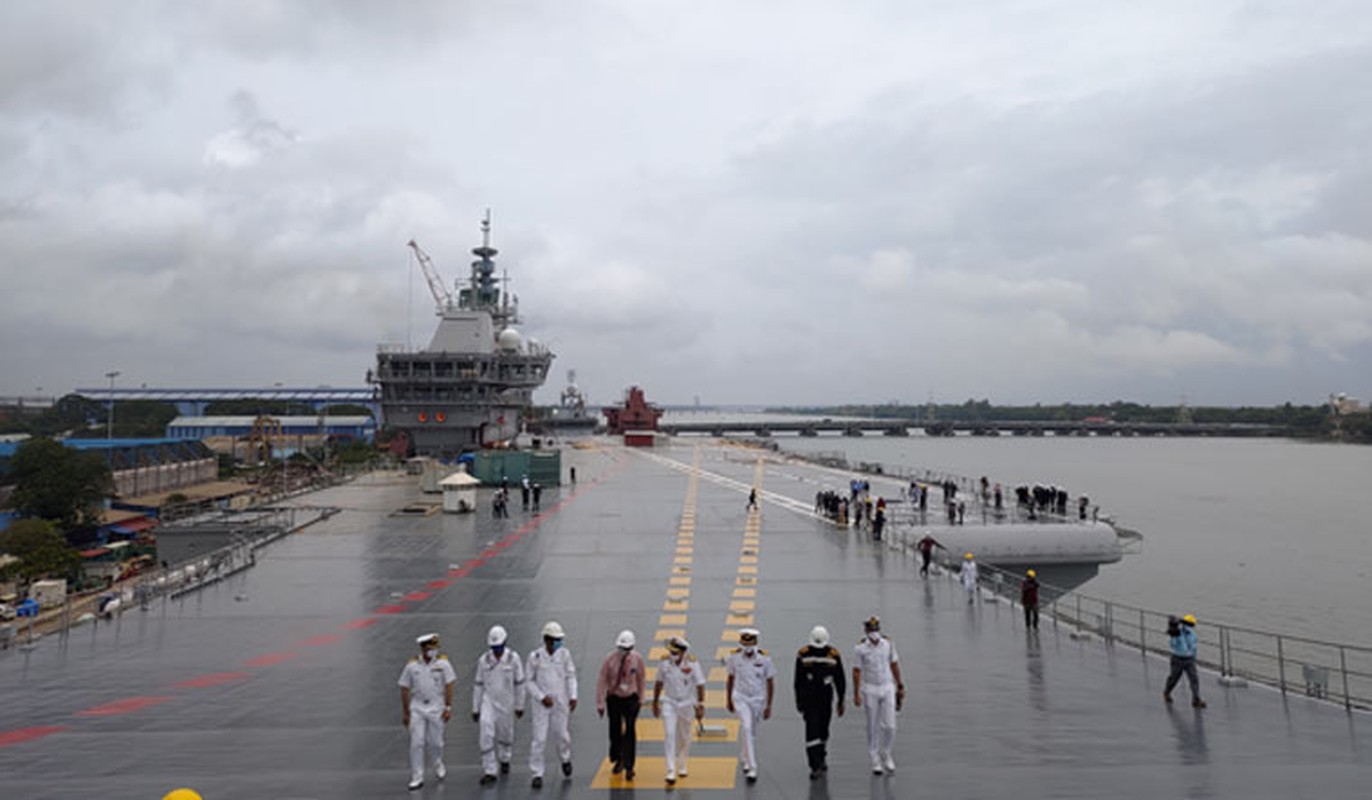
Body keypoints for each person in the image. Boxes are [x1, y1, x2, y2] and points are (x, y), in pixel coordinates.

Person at [398, 633, 457, 791]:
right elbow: (404, 687)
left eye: (435, 648)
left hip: (436, 707)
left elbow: (449, 685)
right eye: (430, 648)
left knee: (436, 742)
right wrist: (406, 712)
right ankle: (417, 776)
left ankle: (437, 761)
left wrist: (448, 707)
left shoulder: (443, 664)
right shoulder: (412, 665)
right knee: (417, 742)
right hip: (417, 707)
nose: (433, 651)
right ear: (423, 648)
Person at [526, 621, 577, 788]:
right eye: (556, 639)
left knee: (562, 735)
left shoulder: (564, 654)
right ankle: (537, 773)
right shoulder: (535, 657)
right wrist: (541, 697)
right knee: (539, 739)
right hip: (542, 705)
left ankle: (565, 758)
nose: (558, 642)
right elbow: (529, 681)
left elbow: (570, 675)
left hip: (560, 702)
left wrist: (573, 695)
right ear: (547, 639)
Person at [473, 625, 526, 785]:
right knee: (486, 732)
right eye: (494, 648)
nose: (496, 651)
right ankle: (489, 769)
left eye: (499, 647)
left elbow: (520, 683)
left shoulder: (513, 659)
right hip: (488, 701)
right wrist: (475, 708)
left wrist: (519, 705)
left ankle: (505, 758)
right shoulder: (484, 660)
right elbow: (478, 684)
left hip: (507, 702)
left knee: (505, 734)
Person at [852, 616, 904, 775]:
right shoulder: (860, 648)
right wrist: (856, 693)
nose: (873, 633)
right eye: (871, 630)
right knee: (872, 725)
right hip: (870, 688)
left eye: (875, 629)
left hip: (887, 686)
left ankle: (886, 752)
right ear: (866, 631)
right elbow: (856, 671)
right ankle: (874, 757)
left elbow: (894, 663)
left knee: (890, 725)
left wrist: (900, 684)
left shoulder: (888, 643)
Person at [651, 635, 706, 784]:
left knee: (685, 736)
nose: (672, 655)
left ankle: (682, 763)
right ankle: (670, 770)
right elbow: (658, 683)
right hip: (669, 702)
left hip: (687, 703)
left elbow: (700, 685)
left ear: (683, 652)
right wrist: (655, 702)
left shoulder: (692, 664)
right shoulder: (664, 662)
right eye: (671, 652)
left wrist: (701, 705)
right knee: (669, 734)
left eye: (676, 653)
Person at [794, 625, 845, 779]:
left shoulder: (833, 655)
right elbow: (798, 681)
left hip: (825, 698)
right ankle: (814, 765)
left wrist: (841, 700)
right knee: (812, 732)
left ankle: (821, 755)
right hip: (810, 700)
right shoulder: (803, 654)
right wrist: (799, 702)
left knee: (823, 730)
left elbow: (840, 679)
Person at [725, 627, 775, 783]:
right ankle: (752, 768)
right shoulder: (734, 657)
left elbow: (770, 681)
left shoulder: (764, 659)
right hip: (740, 697)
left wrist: (769, 705)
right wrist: (728, 700)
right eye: (744, 645)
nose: (747, 649)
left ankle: (746, 755)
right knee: (746, 727)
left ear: (755, 644)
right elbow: (730, 679)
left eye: (750, 645)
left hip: (757, 699)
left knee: (751, 732)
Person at [595, 629, 646, 780]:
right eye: (623, 649)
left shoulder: (637, 659)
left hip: (631, 698)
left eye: (628, 649)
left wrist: (641, 698)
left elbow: (641, 678)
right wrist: (600, 703)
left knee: (630, 730)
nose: (625, 652)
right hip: (615, 698)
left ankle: (630, 766)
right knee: (615, 729)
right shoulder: (609, 660)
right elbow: (602, 680)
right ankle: (617, 758)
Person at [1164, 614, 1207, 708]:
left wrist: (1193, 657)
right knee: (1174, 678)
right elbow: (1173, 645)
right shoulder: (1177, 632)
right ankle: (1167, 692)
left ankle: (1196, 699)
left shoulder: (1192, 634)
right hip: (1178, 658)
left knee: (1194, 679)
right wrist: (1177, 636)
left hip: (1189, 659)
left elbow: (1193, 647)